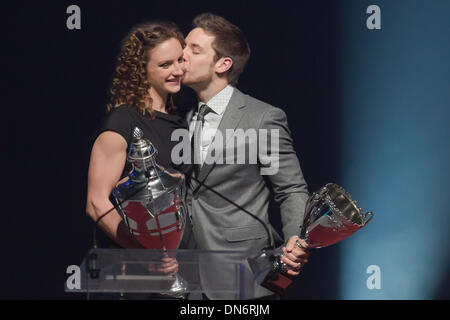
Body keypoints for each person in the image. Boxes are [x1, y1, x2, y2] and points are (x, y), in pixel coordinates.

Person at [181, 13, 311, 299]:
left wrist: (295, 240)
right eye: (184, 45)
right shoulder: (181, 118)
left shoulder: (262, 118)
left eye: (194, 49)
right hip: (188, 279)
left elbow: (290, 188)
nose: (182, 55)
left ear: (223, 64)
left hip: (244, 277)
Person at [86, 22, 191, 279]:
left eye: (180, 60)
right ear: (141, 71)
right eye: (165, 64)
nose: (177, 70)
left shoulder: (181, 120)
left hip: (183, 267)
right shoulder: (122, 122)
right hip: (139, 274)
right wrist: (146, 254)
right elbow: (96, 203)